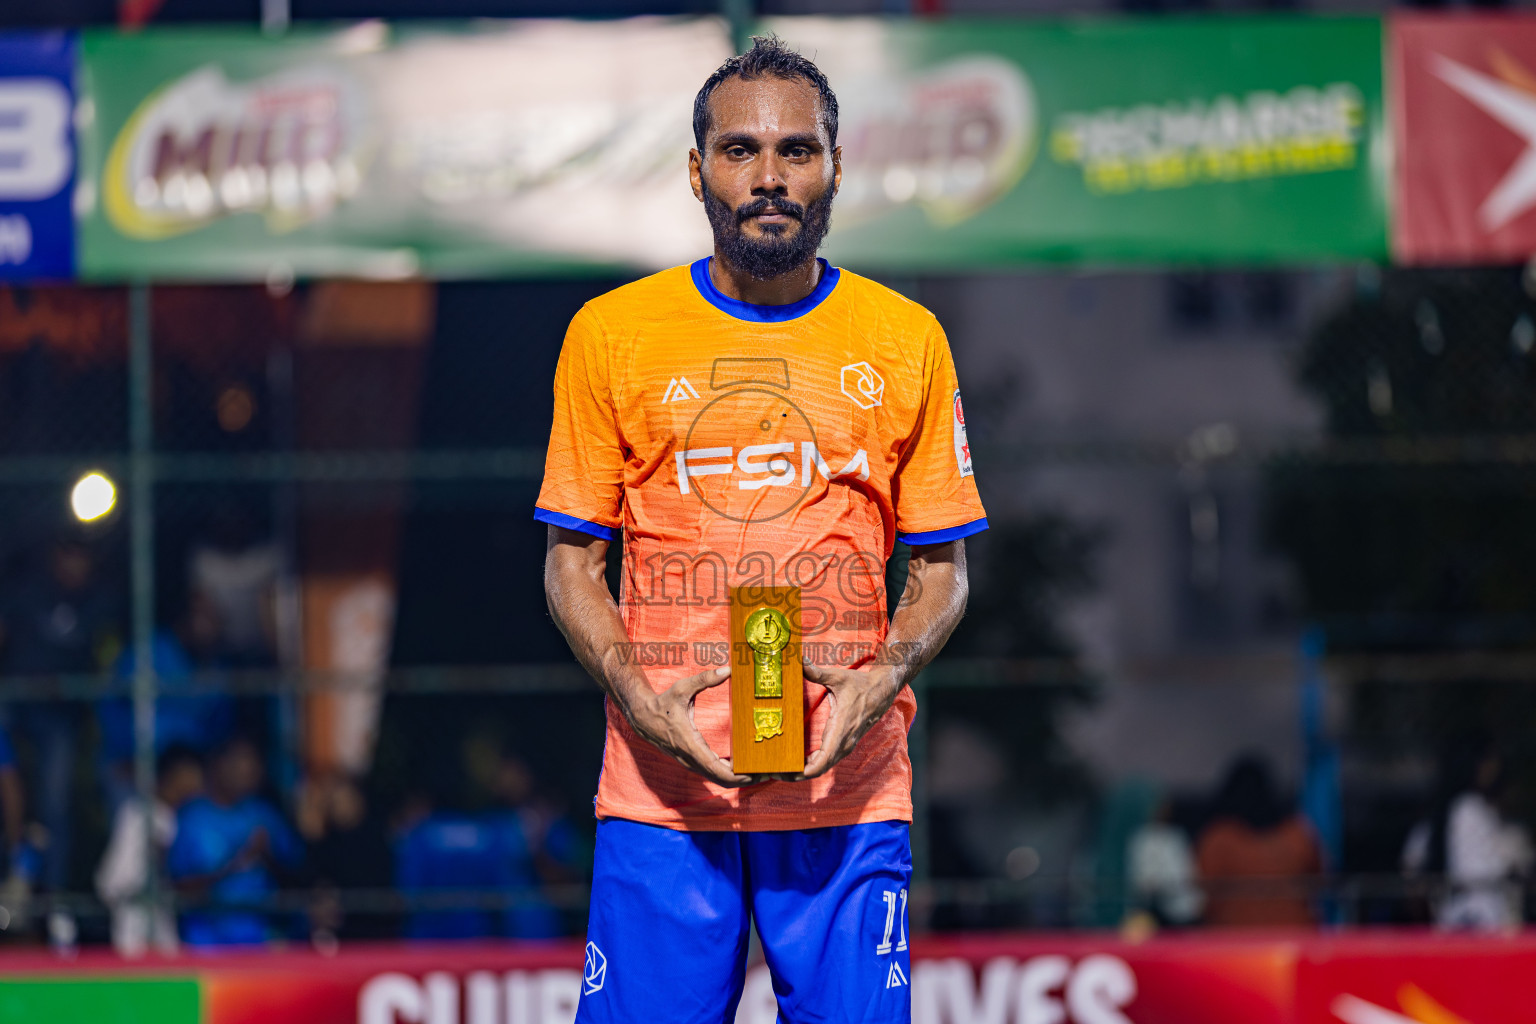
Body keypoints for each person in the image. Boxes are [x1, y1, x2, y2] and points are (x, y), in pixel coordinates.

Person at [538, 36, 983, 1021]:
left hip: (846, 794)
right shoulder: (613, 335)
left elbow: (942, 572)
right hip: (661, 796)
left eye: (797, 149)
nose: (770, 175)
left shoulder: (903, 339)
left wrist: (878, 680)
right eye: (739, 151)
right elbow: (572, 563)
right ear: (697, 172)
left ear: (836, 164)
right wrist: (636, 693)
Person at [0, 531, 121, 927]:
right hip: (13, 706)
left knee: (55, 807)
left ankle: (51, 903)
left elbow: (106, 665)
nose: (74, 567)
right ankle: (15, 883)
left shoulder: (99, 603)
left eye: (82, 559)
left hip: (61, 720)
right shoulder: (26, 592)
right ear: (55, 557)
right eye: (68, 557)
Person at [166, 736, 302, 946]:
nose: (247, 771)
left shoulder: (264, 814)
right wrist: (235, 863)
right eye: (239, 762)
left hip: (261, 940)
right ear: (218, 765)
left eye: (252, 763)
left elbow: (295, 875)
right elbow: (179, 886)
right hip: (206, 943)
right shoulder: (192, 816)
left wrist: (267, 855)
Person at [1402, 741, 1533, 931]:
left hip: (1458, 921)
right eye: (1488, 762)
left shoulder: (1452, 813)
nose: (1492, 769)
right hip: (1477, 920)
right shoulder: (1468, 810)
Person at [95, 744, 204, 956]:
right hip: (135, 918)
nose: (198, 782)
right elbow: (111, 881)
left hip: (165, 916)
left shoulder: (183, 817)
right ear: (174, 773)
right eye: (191, 773)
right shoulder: (137, 814)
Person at [1195, 754, 1323, 927]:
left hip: (1234, 942)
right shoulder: (1298, 834)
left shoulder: (1218, 840)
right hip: (1292, 939)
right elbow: (1320, 881)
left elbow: (1201, 899)